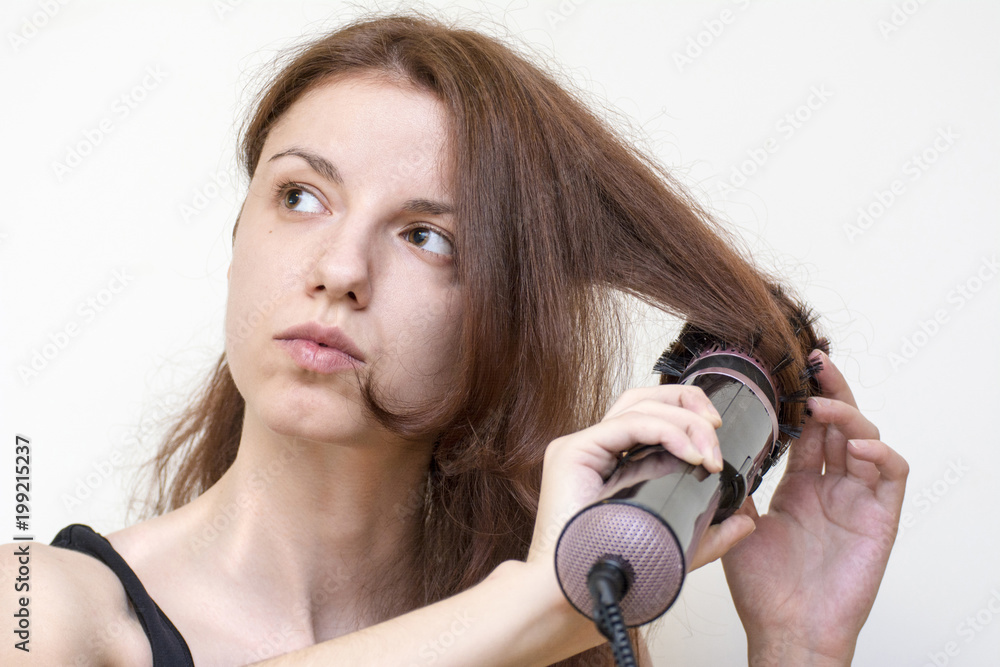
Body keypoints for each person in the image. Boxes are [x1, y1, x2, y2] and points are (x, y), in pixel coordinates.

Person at [2, 13, 907, 667]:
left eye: (427, 237)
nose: (340, 268)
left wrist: (796, 646)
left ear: (503, 313)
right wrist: (531, 605)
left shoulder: (560, 632)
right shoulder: (37, 608)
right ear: (239, 235)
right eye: (300, 196)